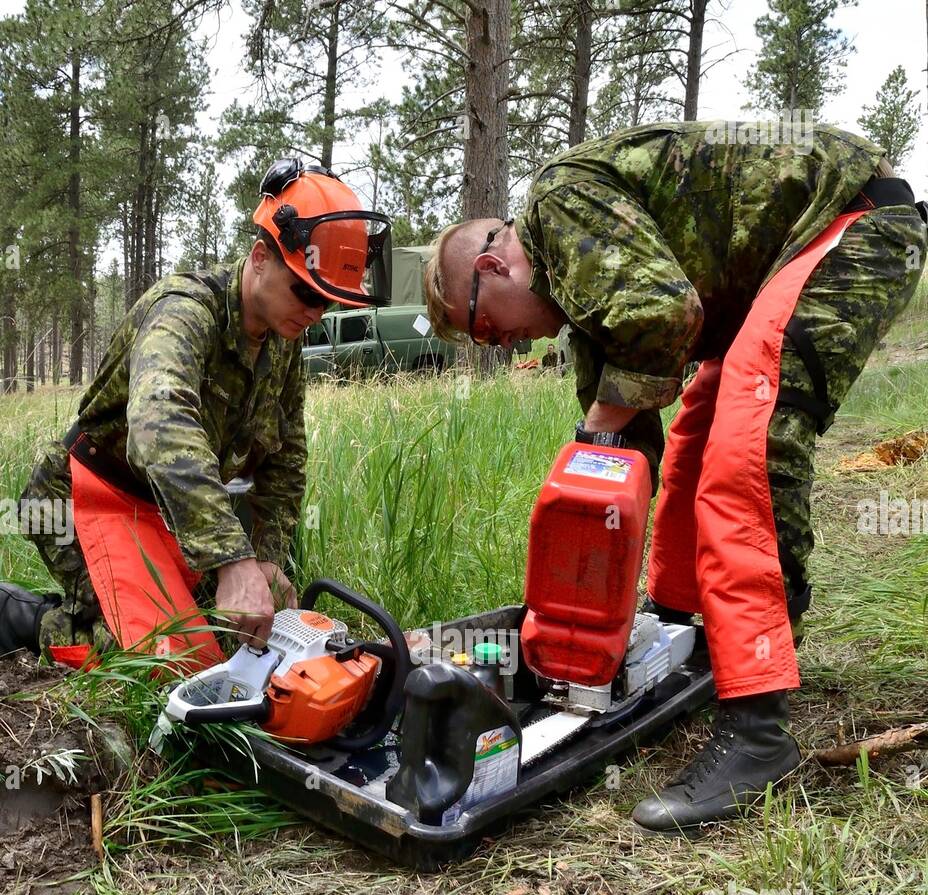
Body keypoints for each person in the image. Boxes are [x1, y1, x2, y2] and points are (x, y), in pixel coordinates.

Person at [424, 121, 927, 834]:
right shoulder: (583, 292)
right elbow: (627, 438)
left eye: (481, 329)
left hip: (850, 224)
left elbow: (665, 314)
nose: (501, 345)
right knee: (696, 435)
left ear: (491, 269)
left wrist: (599, 427)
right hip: (792, 257)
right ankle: (684, 631)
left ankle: (757, 732)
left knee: (744, 452)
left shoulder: (556, 206)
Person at [1, 158, 391, 669]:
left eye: (327, 302)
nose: (315, 313)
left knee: (226, 636)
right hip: (86, 497)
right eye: (305, 292)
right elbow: (158, 423)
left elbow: (286, 456)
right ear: (259, 258)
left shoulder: (284, 339)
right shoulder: (184, 311)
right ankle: (22, 617)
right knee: (159, 662)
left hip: (171, 513)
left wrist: (267, 558)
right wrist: (231, 558)